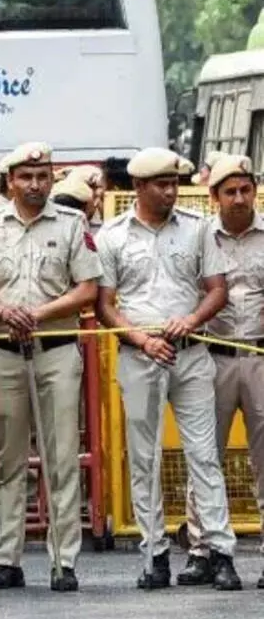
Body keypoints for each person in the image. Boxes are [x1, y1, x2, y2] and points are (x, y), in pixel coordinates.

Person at [94, 147, 240, 591]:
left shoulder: (197, 228)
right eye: (161, 184)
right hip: (140, 354)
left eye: (174, 183)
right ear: (138, 187)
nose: (171, 191)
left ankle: (220, 552)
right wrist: (141, 338)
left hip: (190, 352)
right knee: (144, 458)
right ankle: (153, 552)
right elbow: (104, 305)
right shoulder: (112, 235)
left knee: (203, 455)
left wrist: (191, 320)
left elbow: (217, 290)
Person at [0, 143, 100, 593]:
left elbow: (88, 289)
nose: (35, 184)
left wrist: (37, 314)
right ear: (10, 181)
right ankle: (8, 559)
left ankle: (64, 560)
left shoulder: (71, 223)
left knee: (62, 456)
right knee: (9, 458)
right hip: (4, 349)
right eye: (26, 177)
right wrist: (3, 311)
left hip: (55, 349)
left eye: (42, 176)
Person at [183, 155, 264, 587]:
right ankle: (201, 550)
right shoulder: (198, 237)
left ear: (255, 191)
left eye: (245, 189)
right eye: (229, 191)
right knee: (204, 455)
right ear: (214, 196)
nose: (239, 198)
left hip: (260, 356)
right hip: (211, 357)